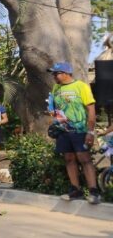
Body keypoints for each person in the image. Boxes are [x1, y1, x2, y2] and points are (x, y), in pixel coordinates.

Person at [48, 62, 101, 204]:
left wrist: (90, 132)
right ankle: (75, 190)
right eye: (53, 73)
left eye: (56, 73)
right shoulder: (56, 88)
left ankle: (94, 191)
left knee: (84, 159)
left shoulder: (81, 86)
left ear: (66, 73)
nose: (54, 76)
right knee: (69, 159)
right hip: (63, 131)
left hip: (80, 130)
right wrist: (54, 117)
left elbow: (91, 110)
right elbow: (56, 107)